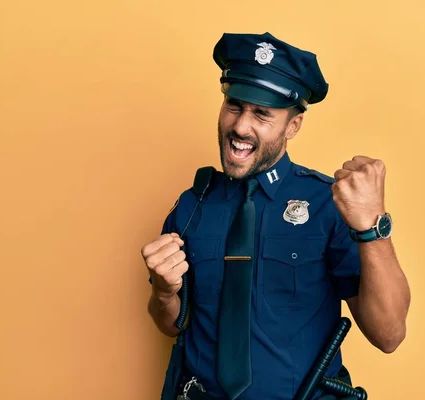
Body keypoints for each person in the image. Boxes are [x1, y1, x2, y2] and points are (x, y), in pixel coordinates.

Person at [141, 32, 411, 400]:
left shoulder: (327, 203)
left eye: (262, 114)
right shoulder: (191, 206)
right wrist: (163, 290)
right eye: (234, 105)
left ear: (293, 126)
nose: (240, 126)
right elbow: (172, 323)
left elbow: (389, 334)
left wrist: (372, 227)